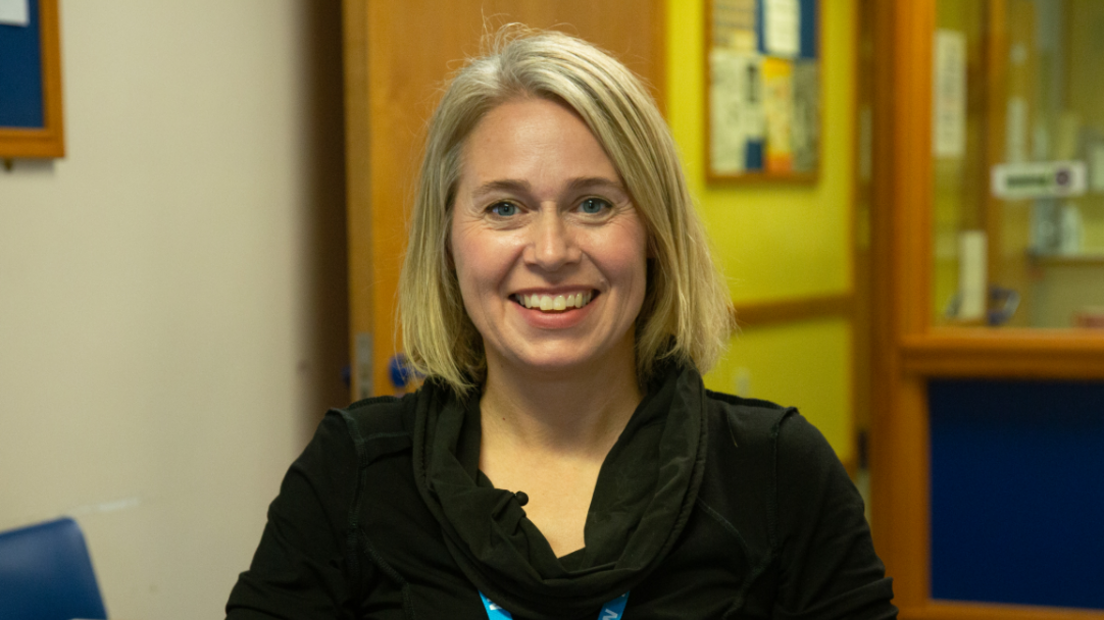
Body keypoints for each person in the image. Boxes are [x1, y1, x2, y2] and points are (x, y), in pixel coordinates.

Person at [226, 26, 896, 620]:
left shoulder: (777, 472)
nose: (550, 252)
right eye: (504, 209)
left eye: (594, 204)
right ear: (448, 239)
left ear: (655, 233)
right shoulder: (355, 473)